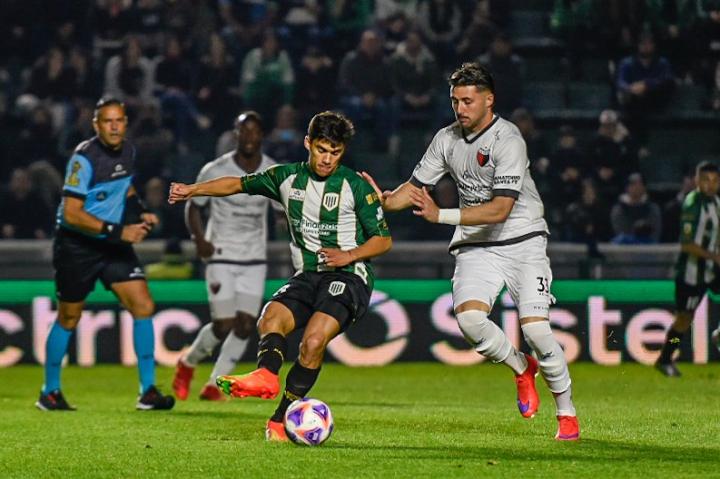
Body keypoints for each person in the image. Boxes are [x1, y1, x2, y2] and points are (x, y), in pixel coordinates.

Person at [362, 63, 579, 440]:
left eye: (467, 100)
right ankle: (521, 368)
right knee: (470, 323)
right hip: (478, 245)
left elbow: (500, 209)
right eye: (454, 101)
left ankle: (567, 414)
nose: (459, 108)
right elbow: (414, 188)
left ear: (488, 100)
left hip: (523, 241)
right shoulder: (446, 139)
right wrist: (381, 201)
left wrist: (440, 214)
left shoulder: (508, 139)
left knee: (538, 331)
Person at [168, 111, 392, 440]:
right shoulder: (286, 178)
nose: (328, 159)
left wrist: (350, 254)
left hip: (348, 275)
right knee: (269, 319)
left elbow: (383, 239)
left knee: (312, 343)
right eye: (321, 149)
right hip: (307, 274)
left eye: (335, 152)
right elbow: (236, 184)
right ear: (307, 144)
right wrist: (193, 190)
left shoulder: (354, 187)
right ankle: (266, 375)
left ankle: (279, 418)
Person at [36, 97, 174, 411]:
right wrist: (120, 232)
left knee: (143, 304)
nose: (114, 126)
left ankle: (148, 391)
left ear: (126, 123)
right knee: (69, 317)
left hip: (111, 244)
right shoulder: (83, 159)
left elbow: (124, 188)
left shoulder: (128, 150)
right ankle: (50, 392)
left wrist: (139, 211)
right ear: (96, 125)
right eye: (107, 121)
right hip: (77, 245)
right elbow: (72, 213)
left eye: (119, 121)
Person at [172, 111, 280, 401]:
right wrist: (199, 239)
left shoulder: (272, 171)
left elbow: (286, 211)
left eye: (255, 132)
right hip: (220, 254)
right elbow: (194, 206)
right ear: (236, 134)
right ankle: (187, 363)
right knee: (223, 325)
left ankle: (213, 384)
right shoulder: (215, 170)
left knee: (246, 325)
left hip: (254, 258)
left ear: (262, 136)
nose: (249, 137)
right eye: (244, 131)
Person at [656, 162, 720, 377]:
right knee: (684, 319)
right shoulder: (692, 203)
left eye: (714, 180)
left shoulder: (717, 203)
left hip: (711, 269)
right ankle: (665, 357)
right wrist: (715, 256)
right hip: (691, 274)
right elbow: (687, 244)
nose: (710, 185)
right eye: (705, 180)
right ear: (697, 180)